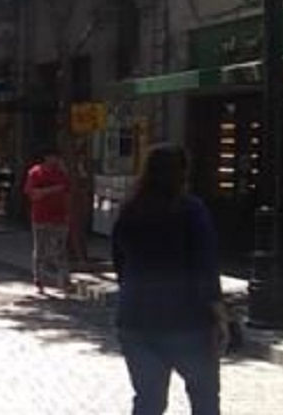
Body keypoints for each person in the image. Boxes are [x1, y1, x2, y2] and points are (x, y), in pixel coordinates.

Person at [112, 145, 226, 415]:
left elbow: (120, 264)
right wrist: (218, 312)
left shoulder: (129, 211)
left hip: (135, 318)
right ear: (183, 173)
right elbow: (205, 264)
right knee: (204, 397)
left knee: (148, 400)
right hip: (187, 319)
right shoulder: (191, 210)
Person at [24, 146, 72, 294]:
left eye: (57, 157)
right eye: (52, 157)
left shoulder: (62, 173)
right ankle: (39, 279)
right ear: (46, 157)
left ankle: (63, 280)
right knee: (40, 250)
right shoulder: (35, 173)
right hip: (41, 217)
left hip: (59, 216)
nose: (55, 160)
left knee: (60, 250)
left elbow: (67, 190)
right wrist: (53, 190)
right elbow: (32, 194)